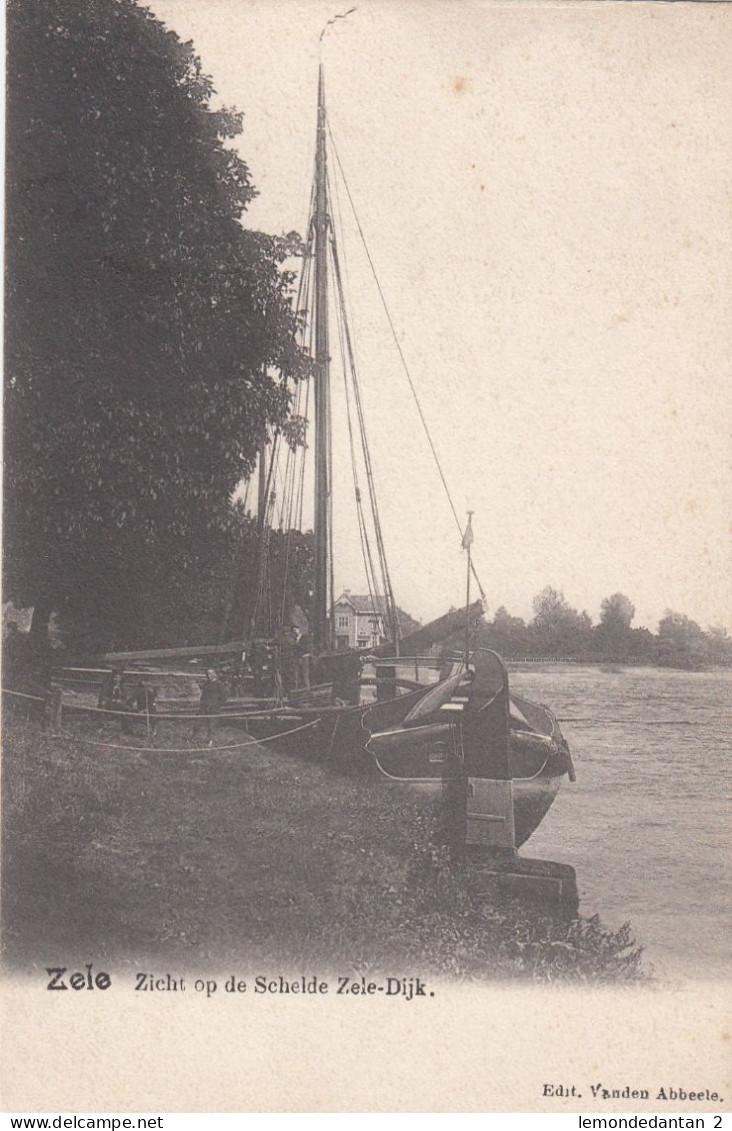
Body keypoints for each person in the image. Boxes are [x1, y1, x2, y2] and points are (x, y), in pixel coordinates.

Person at [198, 668, 226, 746]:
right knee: (206, 723)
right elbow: (203, 695)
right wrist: (202, 704)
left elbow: (223, 697)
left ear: (214, 674)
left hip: (214, 707)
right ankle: (207, 738)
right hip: (206, 707)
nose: (209, 675)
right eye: (208, 674)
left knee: (212, 724)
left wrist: (218, 705)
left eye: (210, 673)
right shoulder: (206, 684)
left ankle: (211, 741)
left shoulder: (219, 684)